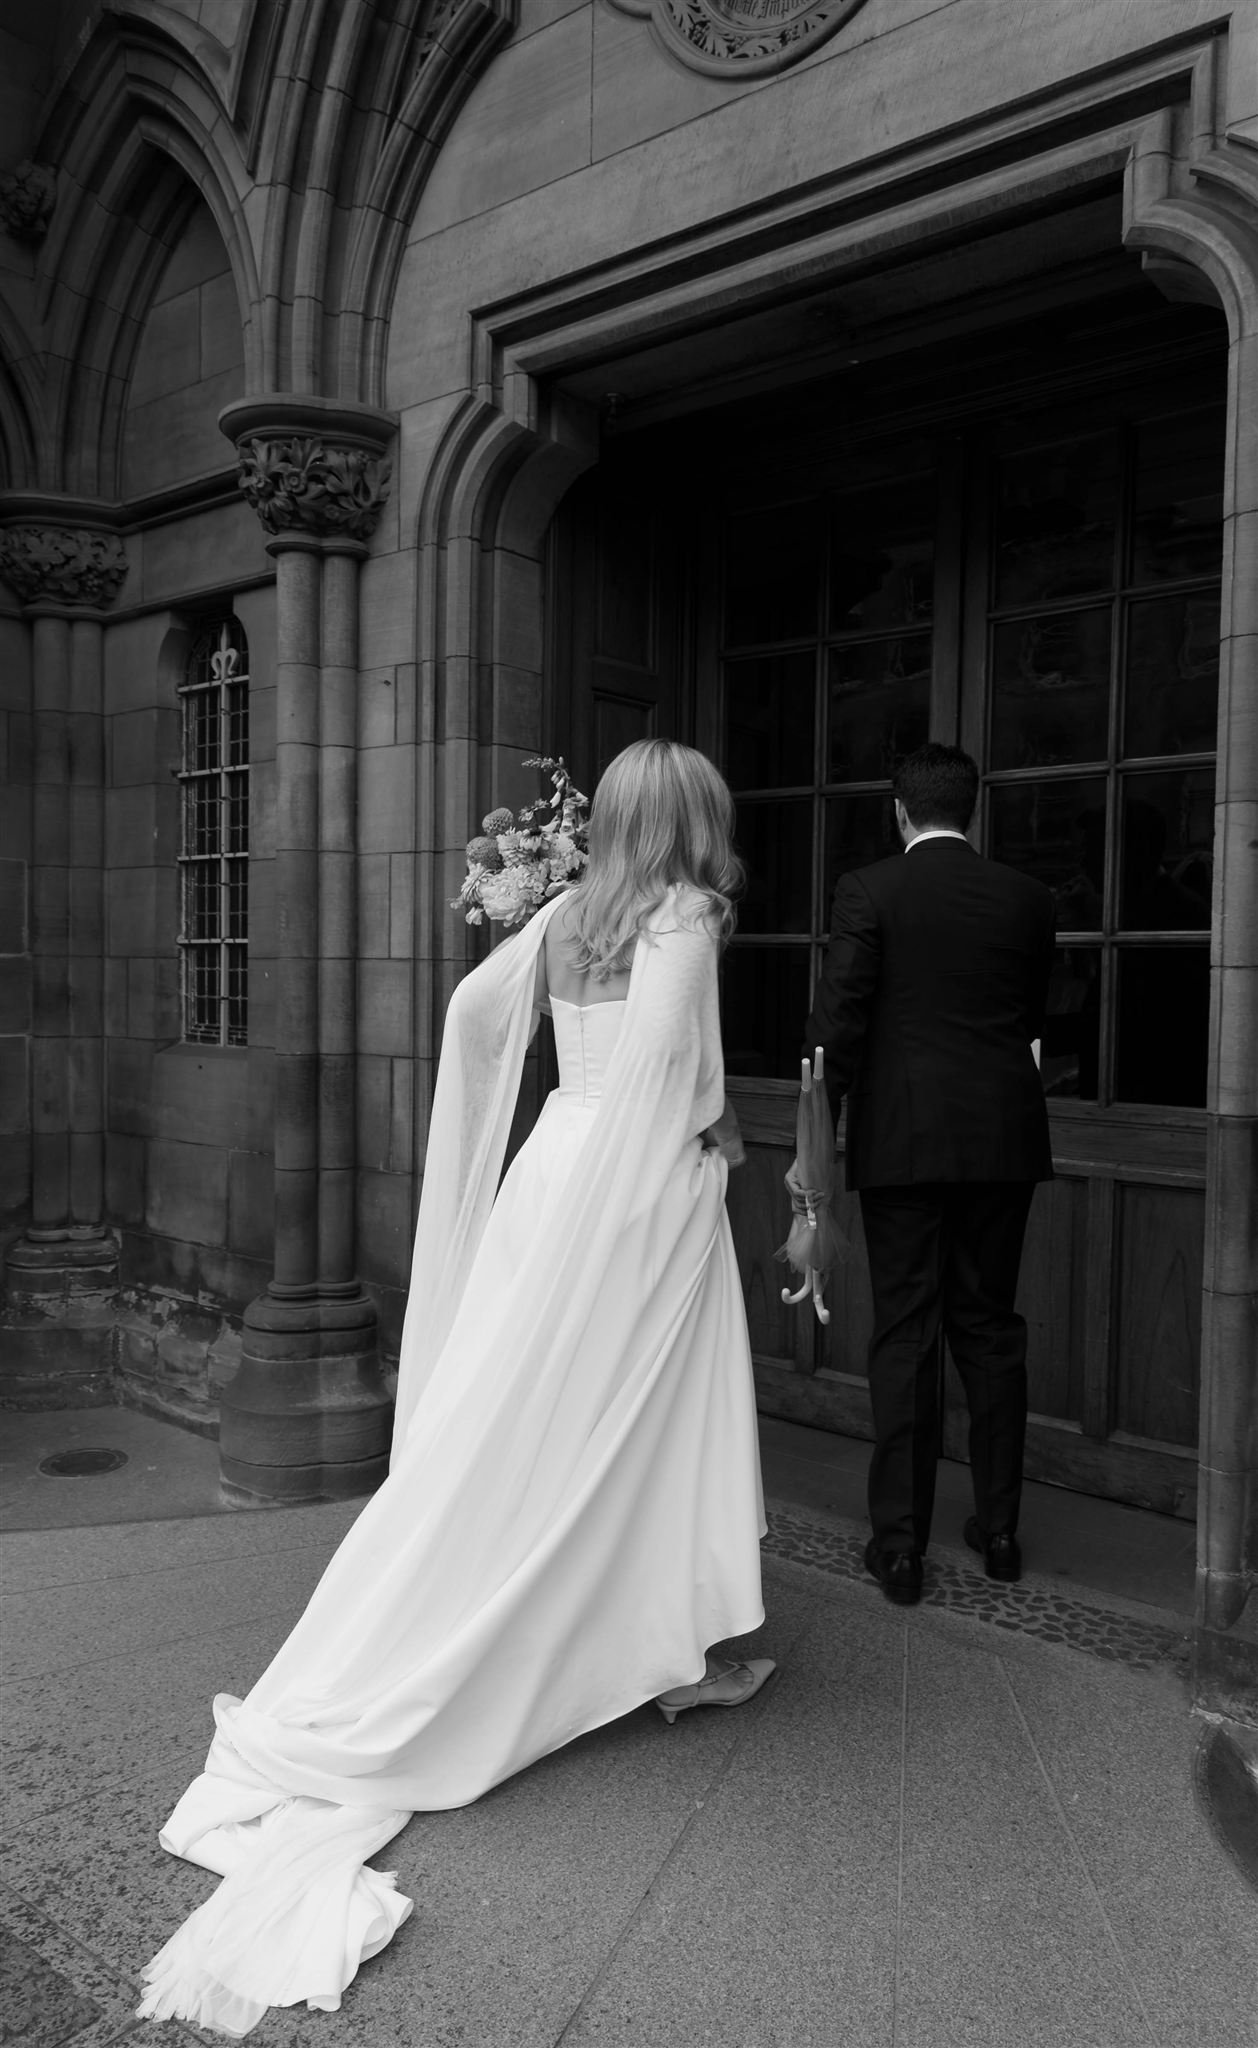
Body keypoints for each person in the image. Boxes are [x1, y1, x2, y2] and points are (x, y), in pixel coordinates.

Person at [138, 738, 773, 2036]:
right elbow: (676, 1069)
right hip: (643, 1196)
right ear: (692, 819)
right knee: (643, 1423)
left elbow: (473, 1021)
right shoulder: (687, 914)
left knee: (537, 1418)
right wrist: (720, 1134)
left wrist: (555, 1125)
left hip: (554, 1176)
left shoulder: (568, 911)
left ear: (609, 820)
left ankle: (635, 1628)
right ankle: (662, 1644)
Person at [800, 742, 1054, 1608]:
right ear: (968, 812)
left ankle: (901, 1546)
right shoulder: (1027, 898)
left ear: (899, 811)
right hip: (1002, 1139)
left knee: (906, 1330)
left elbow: (837, 1022)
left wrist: (814, 1146)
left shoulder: (869, 890)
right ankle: (1003, 1530)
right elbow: (1031, 1015)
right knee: (989, 1325)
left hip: (904, 1140)